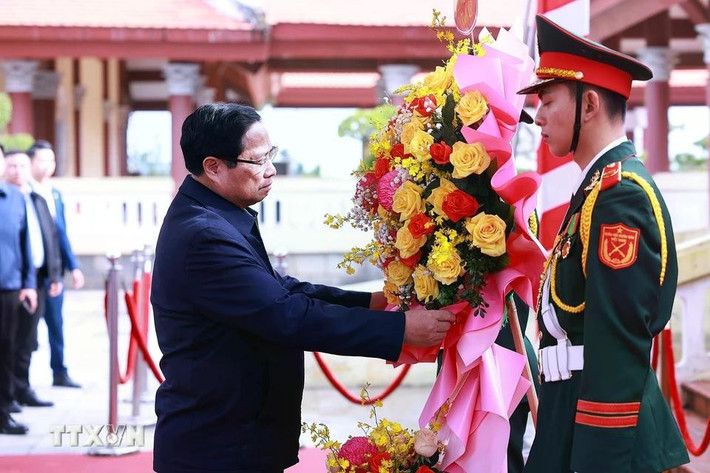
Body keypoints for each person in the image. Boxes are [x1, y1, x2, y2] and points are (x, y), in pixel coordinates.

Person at [151, 103, 456, 473]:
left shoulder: (214, 216)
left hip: (237, 434)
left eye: (271, 155)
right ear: (213, 166)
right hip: (218, 444)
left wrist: (376, 302)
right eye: (257, 160)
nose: (271, 169)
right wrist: (401, 329)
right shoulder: (204, 235)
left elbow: (284, 290)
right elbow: (287, 315)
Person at [517, 15, 689, 472]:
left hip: (605, 435)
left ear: (589, 104)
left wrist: (597, 461)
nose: (538, 117)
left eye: (547, 101)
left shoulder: (620, 197)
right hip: (569, 417)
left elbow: (617, 345)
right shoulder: (595, 190)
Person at [4, 150, 62, 411]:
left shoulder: (37, 198)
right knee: (10, 339)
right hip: (12, 280)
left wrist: (54, 273)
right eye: (12, 165)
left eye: (22, 166)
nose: (17, 170)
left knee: (28, 339)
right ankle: (9, 393)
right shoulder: (7, 200)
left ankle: (22, 387)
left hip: (36, 277)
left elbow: (51, 237)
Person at [29, 140, 84, 388]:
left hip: (54, 272)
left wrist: (73, 267)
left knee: (56, 325)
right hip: (30, 275)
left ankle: (59, 371)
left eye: (51, 160)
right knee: (26, 332)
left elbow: (61, 233)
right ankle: (22, 383)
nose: (47, 165)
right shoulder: (25, 193)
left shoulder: (54, 193)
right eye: (42, 160)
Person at [0, 145, 37, 435]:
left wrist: (29, 285)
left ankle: (3, 412)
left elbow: (25, 246)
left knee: (6, 350)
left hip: (8, 289)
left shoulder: (14, 198)